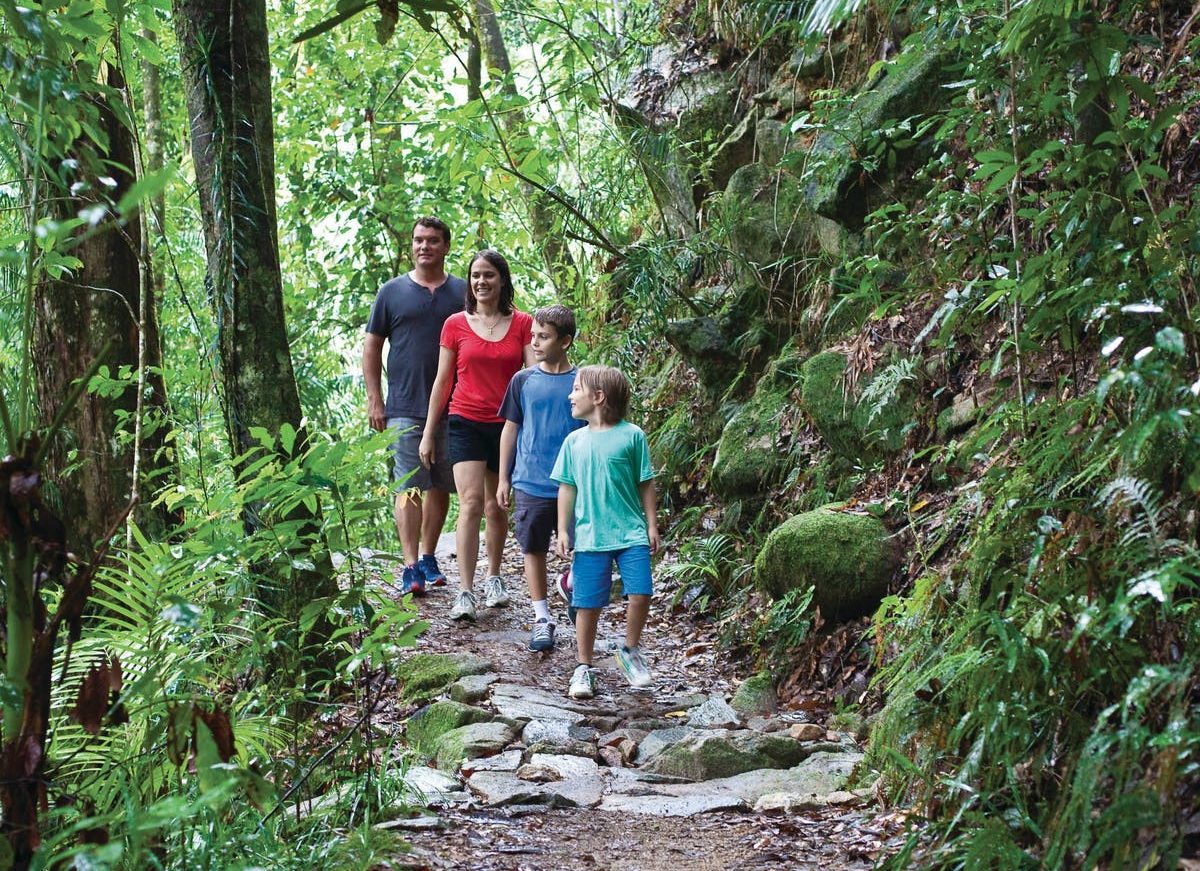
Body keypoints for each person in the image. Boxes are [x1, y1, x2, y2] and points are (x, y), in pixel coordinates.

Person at [420, 249, 534, 622]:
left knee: (496, 504)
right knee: (469, 503)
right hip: (464, 420)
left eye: (488, 275)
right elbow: (443, 381)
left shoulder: (523, 324)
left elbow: (534, 377)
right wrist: (427, 433)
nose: (481, 282)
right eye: (475, 276)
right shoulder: (455, 324)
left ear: (502, 279)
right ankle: (465, 591)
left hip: (506, 426)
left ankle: (494, 577)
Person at [363, 216, 465, 597]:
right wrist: (376, 400)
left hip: (456, 406)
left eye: (433, 241)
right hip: (404, 404)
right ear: (412, 246)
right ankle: (409, 566)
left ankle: (428, 555)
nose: (425, 247)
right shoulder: (391, 292)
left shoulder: (461, 292)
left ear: (446, 246)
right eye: (419, 240)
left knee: (440, 483)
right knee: (408, 484)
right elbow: (372, 346)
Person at [552, 365, 660, 699]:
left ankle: (629, 651)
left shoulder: (632, 436)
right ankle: (583, 667)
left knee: (641, 592)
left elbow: (646, 484)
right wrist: (563, 530)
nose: (570, 395)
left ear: (598, 397)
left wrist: (652, 524)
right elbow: (567, 489)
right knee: (588, 604)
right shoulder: (574, 441)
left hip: (630, 533)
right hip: (590, 536)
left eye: (576, 389)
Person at [497, 305, 585, 652]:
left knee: (583, 547)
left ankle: (574, 588)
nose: (534, 342)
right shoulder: (523, 380)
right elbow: (511, 429)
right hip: (531, 481)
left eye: (543, 337)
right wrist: (505, 478)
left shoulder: (583, 381)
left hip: (575, 484)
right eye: (533, 335)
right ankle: (541, 617)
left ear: (565, 341)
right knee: (533, 548)